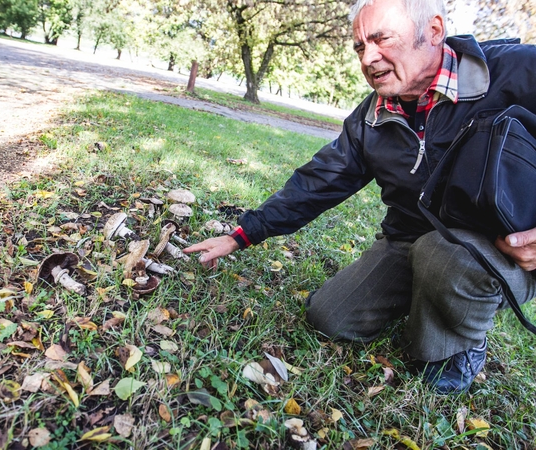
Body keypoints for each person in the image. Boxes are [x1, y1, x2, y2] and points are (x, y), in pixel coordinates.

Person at [184, 0, 536, 394]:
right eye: (359, 46)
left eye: (382, 39)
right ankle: (429, 292)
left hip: (499, 252)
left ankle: (460, 345)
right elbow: (318, 182)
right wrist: (241, 234)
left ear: (434, 31)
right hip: (409, 239)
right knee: (329, 316)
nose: (369, 58)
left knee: (445, 259)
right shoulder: (370, 118)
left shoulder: (516, 71)